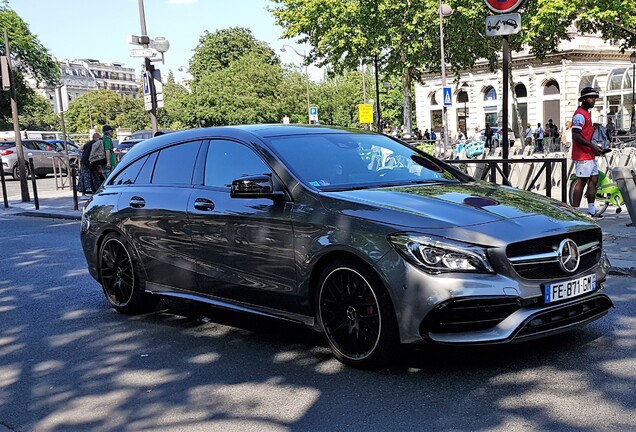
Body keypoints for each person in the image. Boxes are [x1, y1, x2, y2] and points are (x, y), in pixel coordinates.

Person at [571, 87, 606, 218]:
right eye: (591, 98)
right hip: (582, 155)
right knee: (582, 181)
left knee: (594, 180)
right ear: (584, 99)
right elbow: (576, 135)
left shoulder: (587, 114)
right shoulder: (579, 115)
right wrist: (591, 145)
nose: (593, 100)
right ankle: (575, 211)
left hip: (589, 154)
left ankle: (591, 209)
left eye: (595, 98)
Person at [78, 133, 102, 198]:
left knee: (86, 176)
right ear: (97, 138)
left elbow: (79, 149)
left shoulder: (88, 143)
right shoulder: (95, 144)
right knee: (91, 176)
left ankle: (86, 191)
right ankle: (90, 191)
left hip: (84, 160)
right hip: (89, 161)